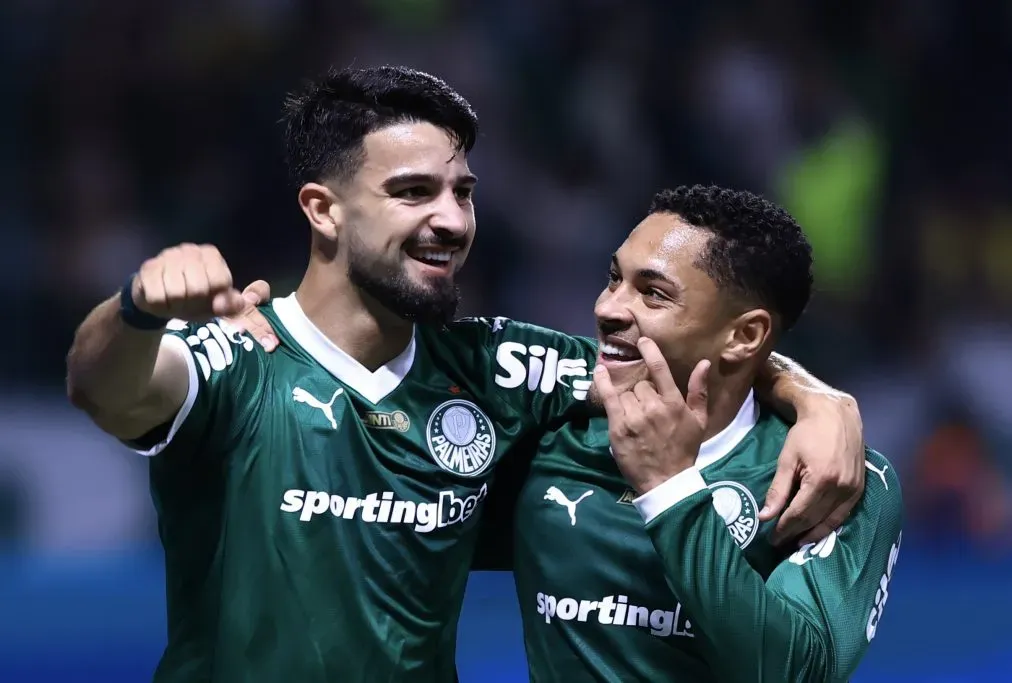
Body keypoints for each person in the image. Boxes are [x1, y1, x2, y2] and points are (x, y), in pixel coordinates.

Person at [65, 65, 863, 683]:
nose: (451, 219)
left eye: (463, 192)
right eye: (413, 192)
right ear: (322, 209)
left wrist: (814, 397)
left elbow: (677, 360)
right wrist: (135, 308)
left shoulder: (498, 365)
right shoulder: (240, 355)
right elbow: (102, 387)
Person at [488, 185, 902, 682]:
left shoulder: (836, 476)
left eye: (653, 293)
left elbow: (798, 673)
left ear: (744, 335)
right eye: (614, 278)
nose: (607, 308)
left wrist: (670, 489)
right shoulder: (554, 427)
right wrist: (809, 391)